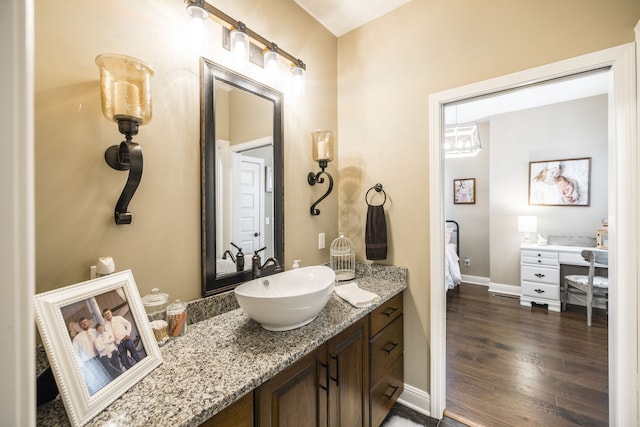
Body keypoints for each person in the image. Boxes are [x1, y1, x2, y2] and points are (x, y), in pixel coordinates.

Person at [72, 316, 110, 394]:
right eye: (82, 323)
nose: (84, 324)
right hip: (90, 360)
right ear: (80, 326)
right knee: (99, 378)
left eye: (85, 322)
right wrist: (80, 364)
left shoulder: (95, 331)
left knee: (107, 372)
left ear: (88, 322)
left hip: (101, 355)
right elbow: (75, 352)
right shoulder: (77, 338)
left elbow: (105, 339)